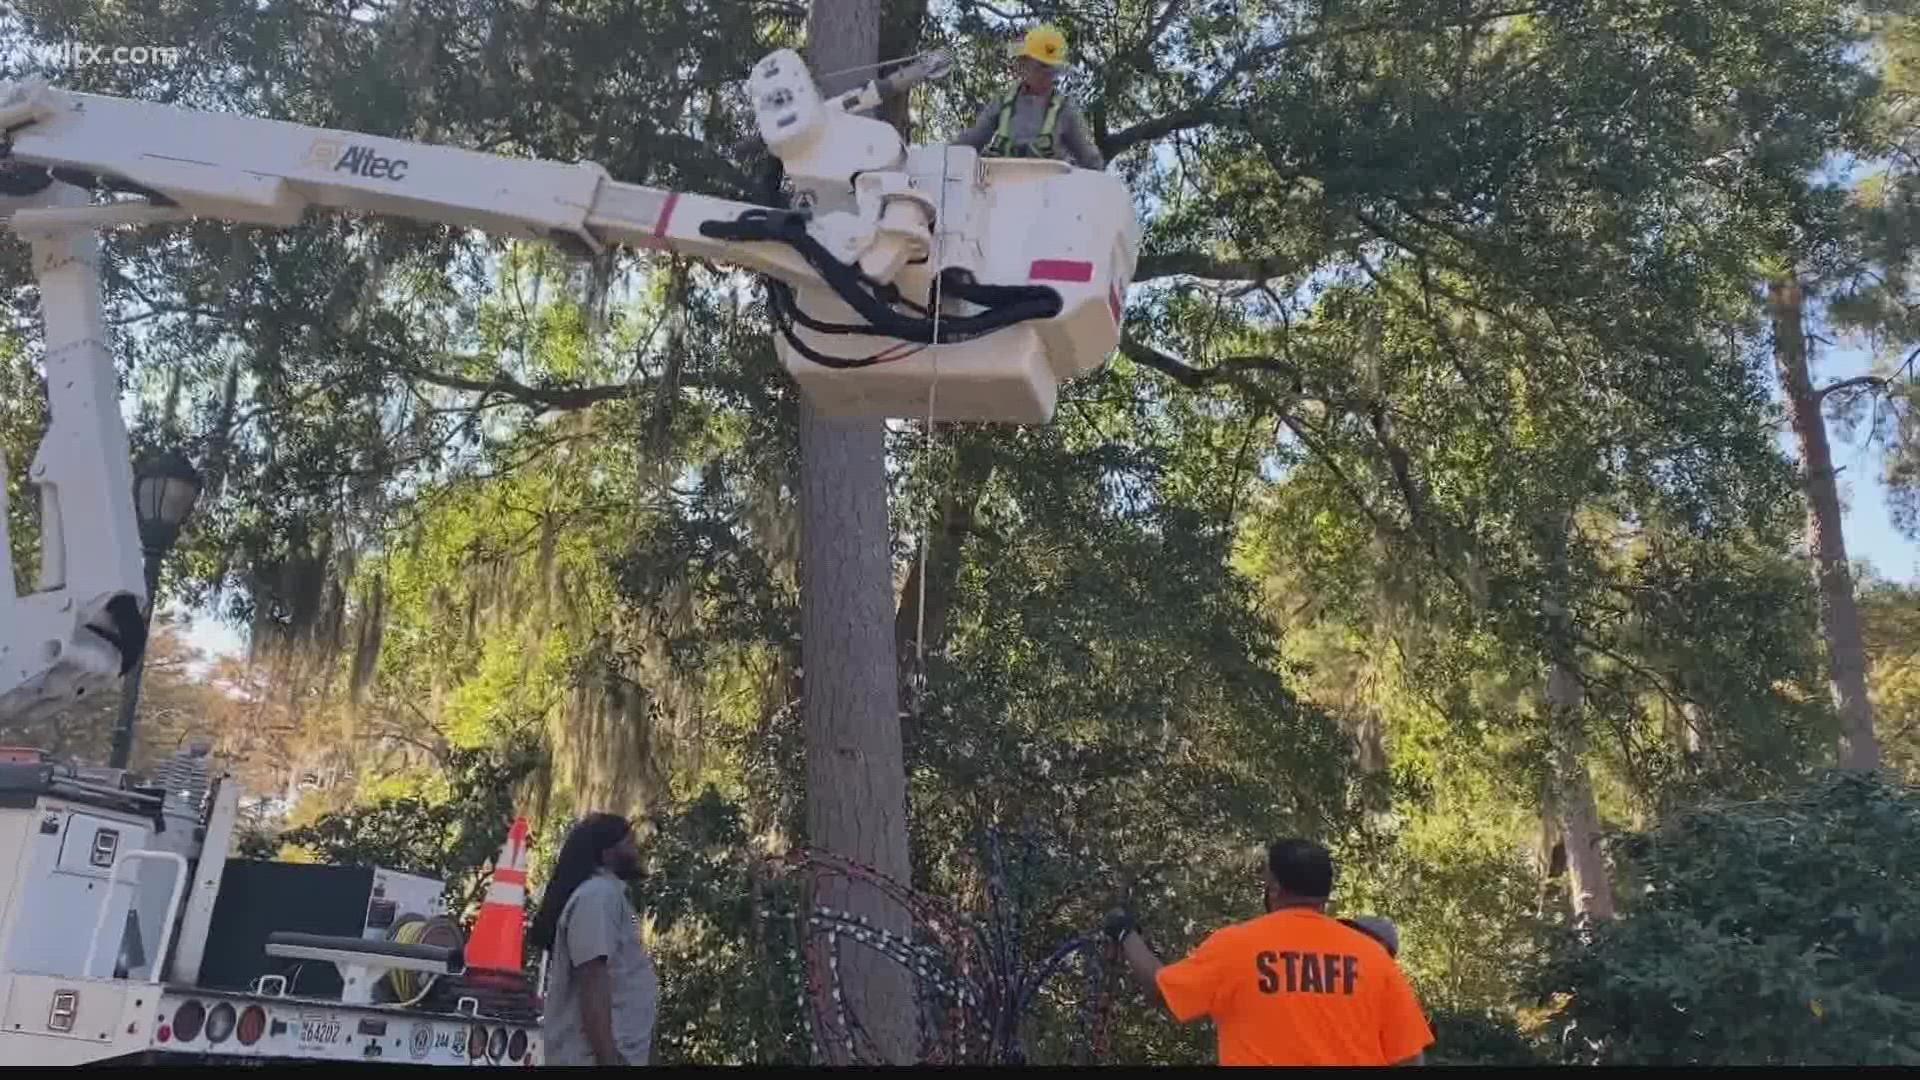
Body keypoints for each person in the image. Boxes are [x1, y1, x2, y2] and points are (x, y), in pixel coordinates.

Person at [1105, 839, 1434, 1066]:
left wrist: (1125, 933)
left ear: (1274, 887)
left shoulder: (1236, 947)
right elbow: (1409, 1057)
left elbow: (1160, 989)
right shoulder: (1374, 959)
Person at [530, 813, 659, 1066]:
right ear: (606, 853)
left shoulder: (609, 895)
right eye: (627, 842)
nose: (635, 848)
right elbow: (593, 979)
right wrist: (608, 1058)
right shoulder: (597, 897)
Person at [953, 25, 1106, 170]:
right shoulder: (1002, 103)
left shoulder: (1065, 110)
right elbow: (970, 141)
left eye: (1054, 70)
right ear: (1024, 64)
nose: (1048, 75)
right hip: (1002, 185)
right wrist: (945, 157)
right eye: (1042, 67)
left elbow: (1090, 161)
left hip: (1050, 190)